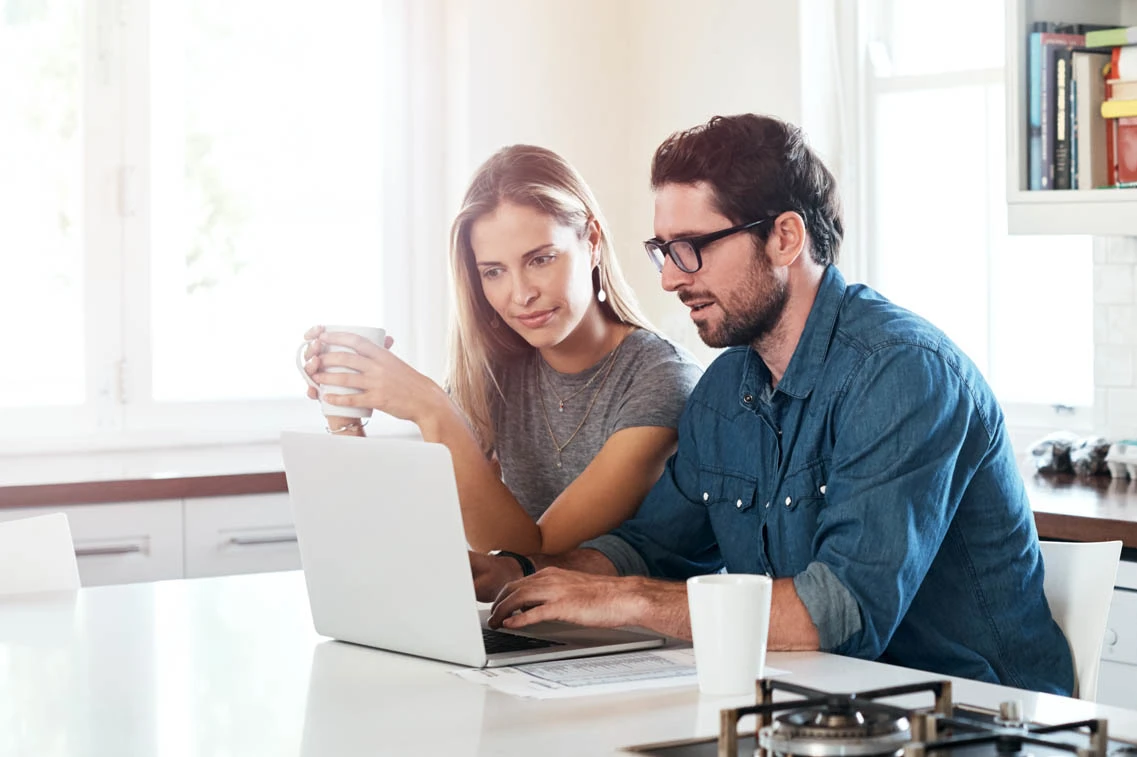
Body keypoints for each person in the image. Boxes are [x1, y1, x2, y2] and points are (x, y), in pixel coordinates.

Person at [470, 115, 1075, 695]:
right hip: (817, 706)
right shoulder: (726, 391)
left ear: (785, 237)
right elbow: (651, 548)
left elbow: (837, 614)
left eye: (693, 247)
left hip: (977, 716)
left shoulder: (904, 374)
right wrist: (521, 572)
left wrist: (625, 599)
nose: (671, 279)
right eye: (664, 249)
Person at [300, 145, 701, 556]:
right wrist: (345, 415)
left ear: (592, 241)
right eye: (494, 272)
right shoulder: (494, 374)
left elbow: (532, 556)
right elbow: (415, 535)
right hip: (518, 619)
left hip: (627, 619)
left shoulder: (662, 379)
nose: (521, 294)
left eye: (541, 259)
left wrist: (432, 409)